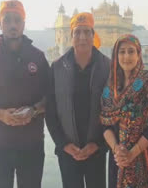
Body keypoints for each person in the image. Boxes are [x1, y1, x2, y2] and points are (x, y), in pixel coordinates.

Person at [0, 0, 49, 188]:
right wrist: (2, 115)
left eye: (17, 20)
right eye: (7, 20)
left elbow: (51, 98)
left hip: (31, 144)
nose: (13, 25)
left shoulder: (38, 58)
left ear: (24, 24)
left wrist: (33, 110)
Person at [45, 12, 109, 188]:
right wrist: (63, 144)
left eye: (87, 32)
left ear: (93, 36)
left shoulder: (107, 67)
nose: (82, 37)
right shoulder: (57, 68)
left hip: (96, 150)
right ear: (71, 36)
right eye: (77, 32)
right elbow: (50, 111)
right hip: (68, 151)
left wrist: (97, 144)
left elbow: (112, 110)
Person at [100, 34, 148, 188]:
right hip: (117, 159)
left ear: (138, 54)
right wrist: (117, 150)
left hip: (143, 156)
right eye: (122, 52)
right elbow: (104, 123)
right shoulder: (110, 88)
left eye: (131, 51)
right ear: (115, 55)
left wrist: (131, 154)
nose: (126, 56)